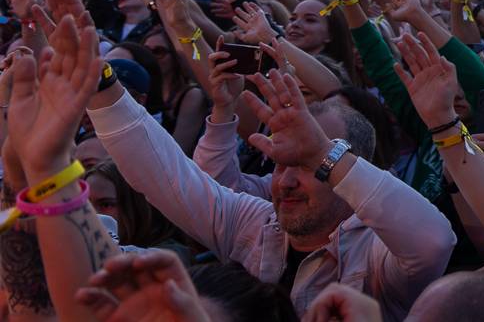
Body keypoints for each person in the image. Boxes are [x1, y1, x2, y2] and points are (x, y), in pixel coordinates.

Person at [86, 65, 457, 318]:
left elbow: (434, 241)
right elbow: (165, 174)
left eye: (309, 163)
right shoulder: (258, 222)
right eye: (281, 162)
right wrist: (100, 81)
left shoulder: (379, 251)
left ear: (349, 166)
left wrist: (320, 154)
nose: (287, 181)